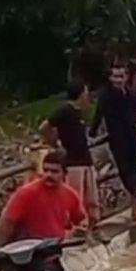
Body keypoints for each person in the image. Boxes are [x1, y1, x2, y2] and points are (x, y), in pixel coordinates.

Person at [0, 149, 85, 271]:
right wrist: (1, 255)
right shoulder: (26, 193)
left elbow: (81, 220)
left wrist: (73, 233)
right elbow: (7, 223)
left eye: (55, 171)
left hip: (50, 258)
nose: (49, 175)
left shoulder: (70, 195)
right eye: (46, 170)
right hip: (22, 260)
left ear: (65, 174)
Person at [40, 81, 99, 229]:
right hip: (73, 161)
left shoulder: (79, 112)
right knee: (75, 199)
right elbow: (45, 127)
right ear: (81, 93)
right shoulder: (64, 110)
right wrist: (54, 143)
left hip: (85, 159)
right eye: (86, 91)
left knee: (92, 199)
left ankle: (93, 228)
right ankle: (75, 230)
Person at [91, 62, 136, 217]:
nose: (118, 80)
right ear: (110, 78)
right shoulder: (106, 96)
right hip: (117, 140)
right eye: (115, 76)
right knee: (125, 173)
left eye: (121, 76)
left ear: (127, 77)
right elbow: (98, 115)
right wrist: (92, 134)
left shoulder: (132, 94)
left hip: (133, 137)